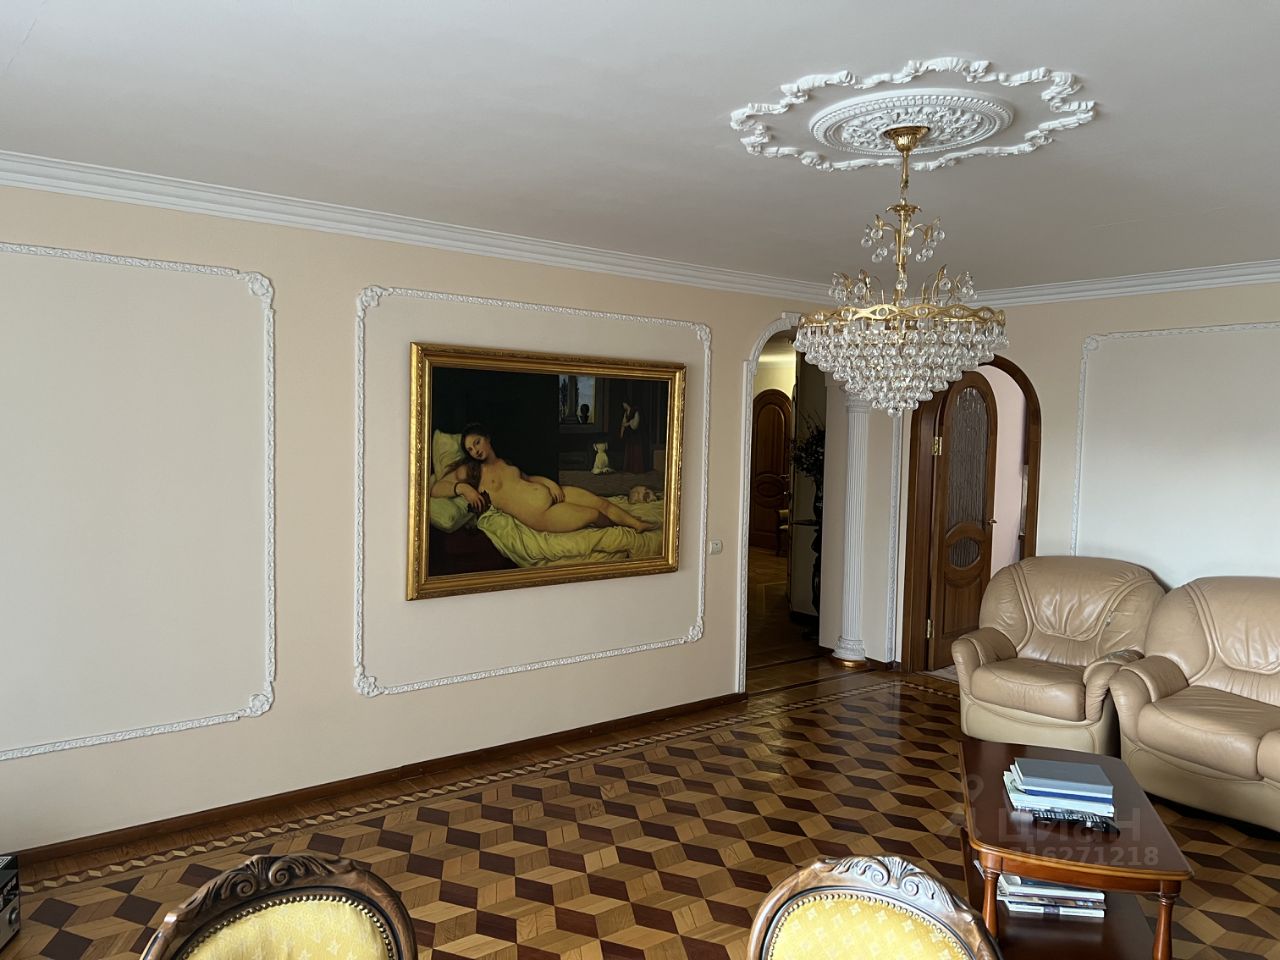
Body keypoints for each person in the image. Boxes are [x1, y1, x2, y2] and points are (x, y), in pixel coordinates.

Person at [431, 423, 658, 533]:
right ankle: (622, 530)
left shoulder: (505, 462)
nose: (475, 451)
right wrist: (463, 488)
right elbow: (436, 488)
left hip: (551, 494)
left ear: (487, 438)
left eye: (477, 442)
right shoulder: (473, 471)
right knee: (593, 514)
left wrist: (550, 484)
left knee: (601, 502)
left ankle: (636, 524)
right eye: (470, 449)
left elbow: (529, 478)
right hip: (542, 515)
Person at [619, 400, 650, 473]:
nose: (623, 406)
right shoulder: (626, 413)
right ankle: (630, 468)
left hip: (636, 435)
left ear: (626, 403)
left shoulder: (635, 411)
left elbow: (635, 425)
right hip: (630, 435)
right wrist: (622, 432)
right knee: (630, 450)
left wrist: (629, 423)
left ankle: (636, 469)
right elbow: (623, 423)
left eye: (624, 404)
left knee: (636, 450)